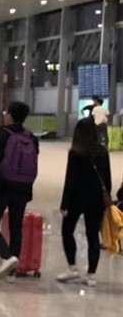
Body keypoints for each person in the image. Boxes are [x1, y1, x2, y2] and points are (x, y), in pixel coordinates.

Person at [0, 100, 40, 280]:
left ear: (10, 116)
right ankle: (12, 274)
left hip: (1, 187)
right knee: (16, 227)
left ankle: (7, 257)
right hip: (22, 188)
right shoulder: (31, 137)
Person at [57, 117, 112, 286]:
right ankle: (91, 275)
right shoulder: (102, 151)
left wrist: (64, 203)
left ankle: (72, 267)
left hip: (77, 199)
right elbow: (107, 178)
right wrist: (106, 198)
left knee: (67, 230)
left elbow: (70, 180)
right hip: (96, 200)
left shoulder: (75, 153)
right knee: (93, 235)